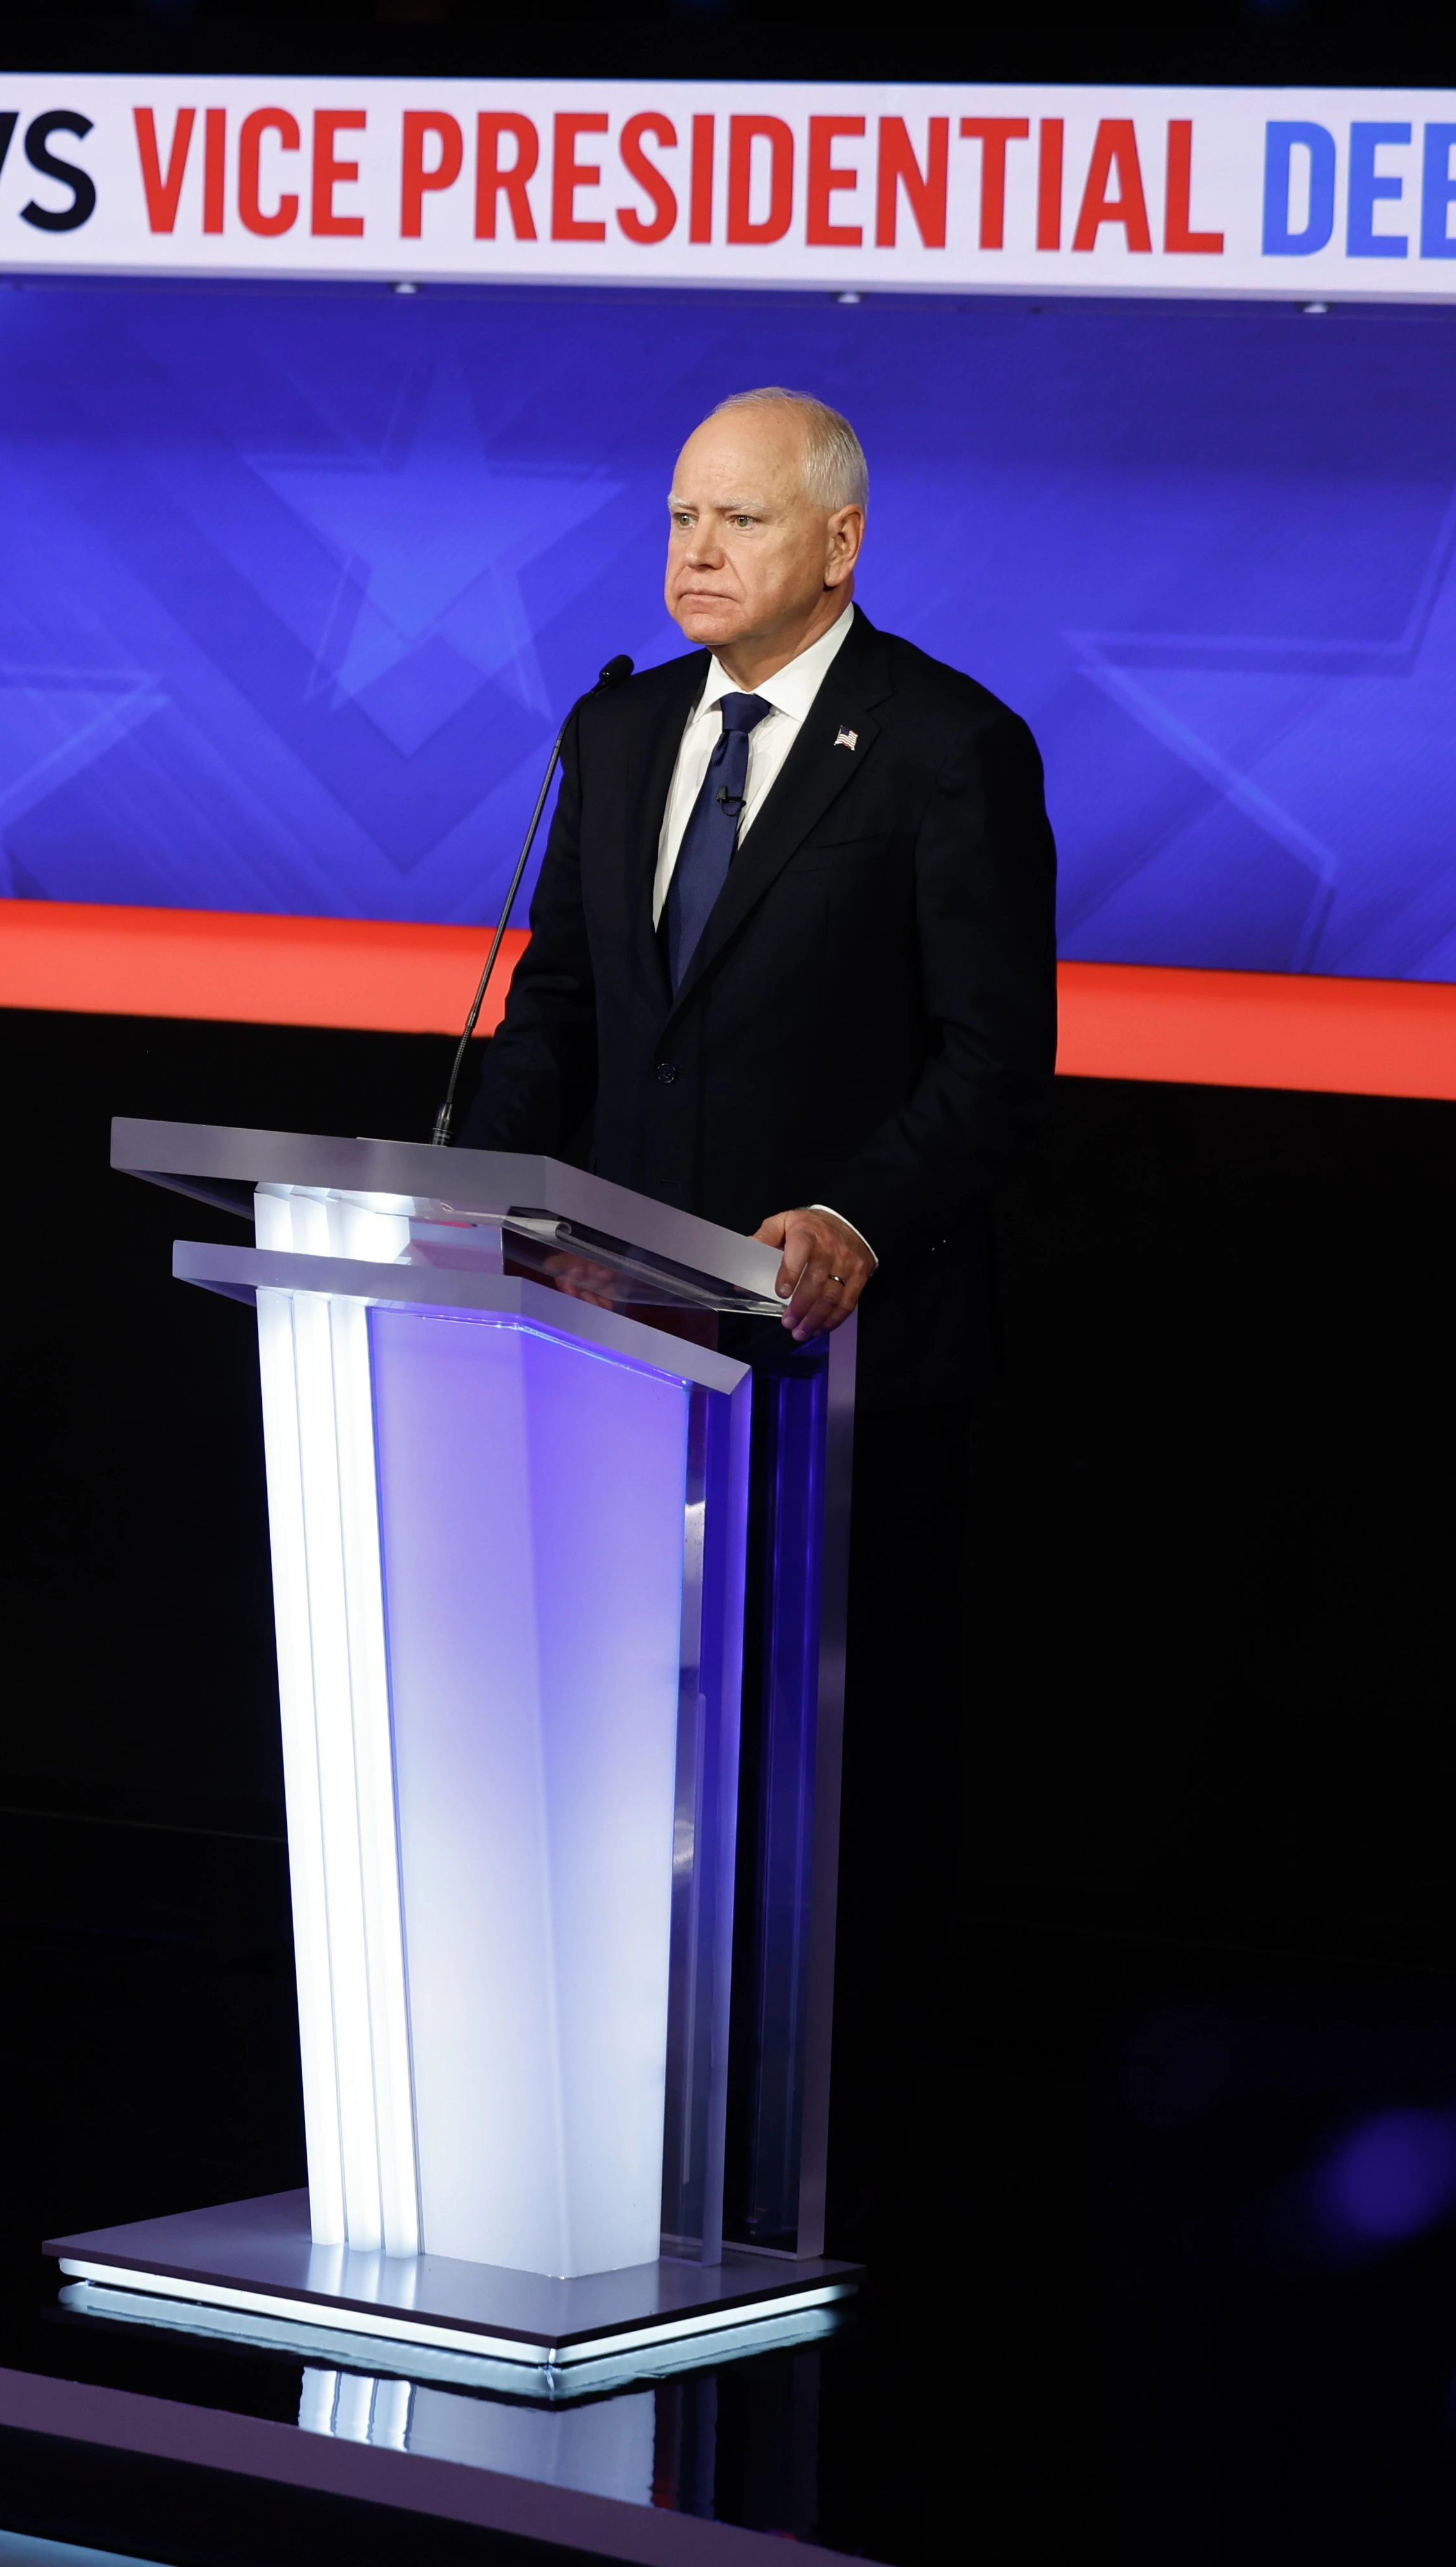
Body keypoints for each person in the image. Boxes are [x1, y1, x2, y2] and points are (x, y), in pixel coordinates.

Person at [460, 386, 1056, 2258]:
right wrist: (475, 1193)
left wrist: (852, 1217)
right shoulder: (619, 731)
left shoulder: (948, 748)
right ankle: (613, 2158)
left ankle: (830, 2197)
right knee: (627, 1781)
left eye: (736, 522)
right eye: (678, 520)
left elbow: (993, 1062)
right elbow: (553, 1012)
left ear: (839, 544)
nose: (694, 554)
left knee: (831, 1817)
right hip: (611, 1358)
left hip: (842, 1384)